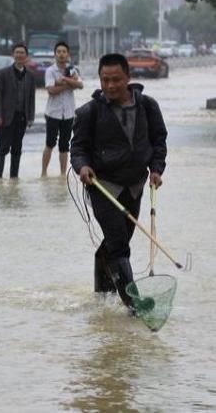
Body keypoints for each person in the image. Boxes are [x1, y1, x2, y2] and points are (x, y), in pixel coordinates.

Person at [70, 53, 167, 312]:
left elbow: (159, 141)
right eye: (105, 80)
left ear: (128, 78)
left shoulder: (148, 106)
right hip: (103, 187)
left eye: (116, 79)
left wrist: (157, 169)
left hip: (134, 187)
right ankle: (134, 305)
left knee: (116, 243)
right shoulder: (89, 112)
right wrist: (83, 166)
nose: (110, 86)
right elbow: (77, 149)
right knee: (119, 244)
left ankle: (102, 295)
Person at [0, 42, 36, 179]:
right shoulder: (3, 73)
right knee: (3, 148)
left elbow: (31, 98)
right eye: (17, 52)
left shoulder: (30, 75)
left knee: (17, 149)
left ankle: (14, 178)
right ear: (13, 55)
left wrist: (31, 117)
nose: (19, 55)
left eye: (22, 53)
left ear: (26, 56)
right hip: (6, 117)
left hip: (22, 117)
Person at [41, 41, 83, 177]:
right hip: (53, 113)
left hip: (69, 113)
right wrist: (70, 84)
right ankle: (44, 172)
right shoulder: (50, 71)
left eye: (64, 52)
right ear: (55, 54)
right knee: (50, 143)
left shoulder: (72, 69)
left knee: (65, 146)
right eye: (58, 52)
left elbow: (80, 85)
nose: (61, 54)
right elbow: (51, 90)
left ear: (68, 54)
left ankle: (63, 174)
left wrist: (64, 80)